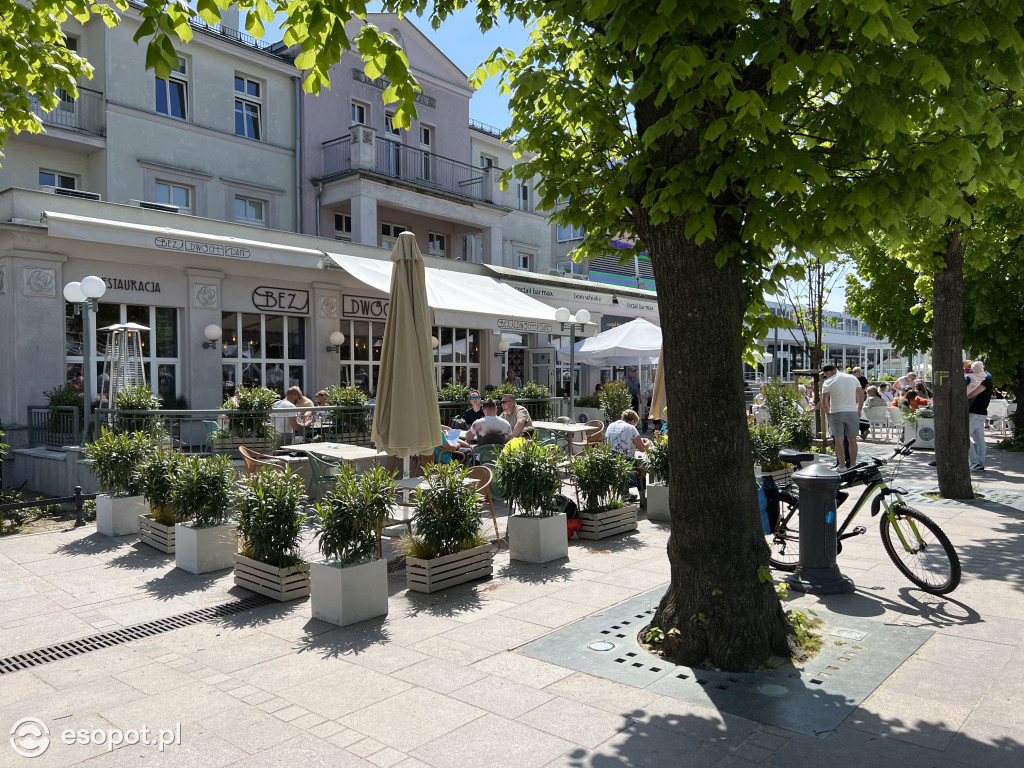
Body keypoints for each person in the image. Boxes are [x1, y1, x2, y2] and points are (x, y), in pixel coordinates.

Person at [810, 363, 864, 469]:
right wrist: (859, 409)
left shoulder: (828, 382)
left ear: (829, 372)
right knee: (852, 440)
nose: (825, 376)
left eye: (825, 374)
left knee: (838, 440)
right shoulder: (853, 379)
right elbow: (860, 395)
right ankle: (853, 464)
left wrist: (828, 413)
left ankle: (842, 466)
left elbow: (825, 401)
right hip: (852, 412)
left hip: (836, 413)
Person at [605, 409, 650, 506]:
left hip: (611, 462)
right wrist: (648, 442)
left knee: (634, 467)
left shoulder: (611, 425)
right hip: (625, 463)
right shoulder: (631, 428)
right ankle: (643, 500)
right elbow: (642, 448)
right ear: (633, 421)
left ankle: (626, 496)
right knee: (641, 470)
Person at [967, 360, 993, 471]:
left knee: (964, 437)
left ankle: (974, 462)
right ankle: (980, 463)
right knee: (980, 439)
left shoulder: (984, 381)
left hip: (974, 413)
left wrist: (965, 396)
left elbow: (973, 393)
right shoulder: (987, 379)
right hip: (982, 413)